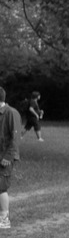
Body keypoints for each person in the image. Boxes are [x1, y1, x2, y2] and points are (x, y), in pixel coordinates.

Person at [0, 86, 21, 229]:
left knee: (1, 187)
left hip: (5, 157)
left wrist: (8, 156)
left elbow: (15, 138)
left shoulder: (11, 113)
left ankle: (4, 219)